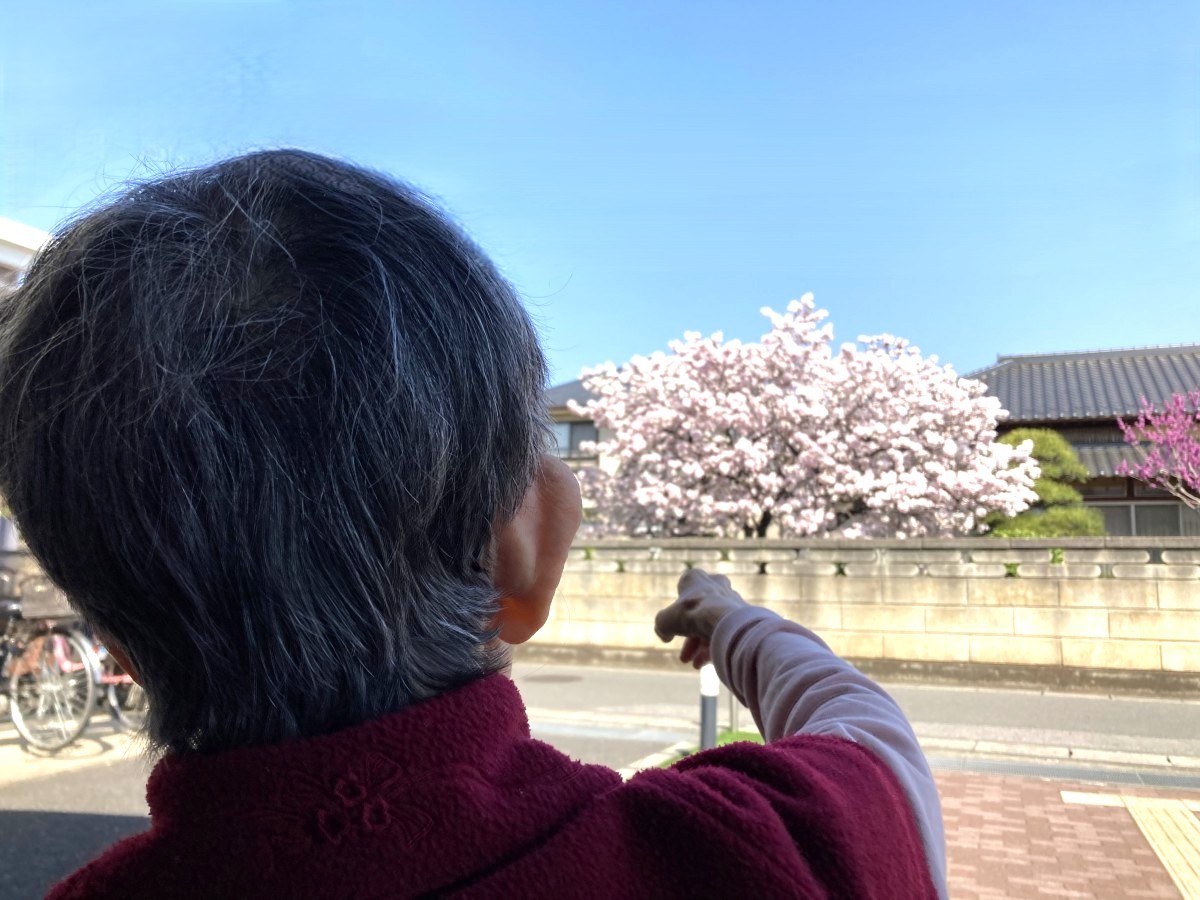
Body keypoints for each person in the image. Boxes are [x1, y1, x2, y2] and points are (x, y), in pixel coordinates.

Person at [0, 150, 946, 899]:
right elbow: (872, 741)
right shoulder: (752, 854)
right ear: (527, 551)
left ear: (114, 636)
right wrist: (736, 623)